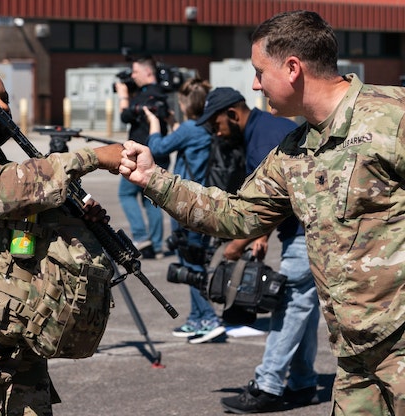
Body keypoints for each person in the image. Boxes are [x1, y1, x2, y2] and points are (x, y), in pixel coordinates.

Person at [120, 9, 405, 416]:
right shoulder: (294, 150)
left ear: (292, 68)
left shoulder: (393, 118)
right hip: (355, 357)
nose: (254, 84)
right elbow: (235, 215)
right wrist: (155, 179)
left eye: (259, 71)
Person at [0, 68, 123, 415]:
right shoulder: (4, 172)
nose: (3, 106)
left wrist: (74, 219)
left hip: (15, 333)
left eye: (4, 97)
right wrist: (91, 157)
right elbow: (10, 187)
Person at [194, 86, 320, 412]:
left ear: (233, 114)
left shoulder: (264, 141)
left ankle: (268, 386)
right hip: (307, 230)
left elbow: (273, 205)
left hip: (308, 234)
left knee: (289, 305)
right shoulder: (266, 129)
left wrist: (239, 244)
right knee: (301, 309)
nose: (215, 131)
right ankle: (303, 383)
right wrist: (261, 235)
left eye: (216, 123)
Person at [143, 77, 225, 343]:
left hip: (187, 205)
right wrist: (170, 124)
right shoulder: (208, 126)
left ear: (187, 104)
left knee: (191, 264)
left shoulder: (190, 127)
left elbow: (157, 148)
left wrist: (154, 125)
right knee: (194, 262)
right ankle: (197, 318)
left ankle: (208, 319)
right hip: (206, 202)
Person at [115, 56, 170, 259]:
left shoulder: (146, 96)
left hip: (140, 154)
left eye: (135, 72)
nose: (132, 76)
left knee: (126, 194)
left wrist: (123, 96)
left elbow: (125, 116)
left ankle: (141, 236)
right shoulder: (161, 94)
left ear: (148, 72)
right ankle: (156, 246)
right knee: (150, 199)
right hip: (160, 152)